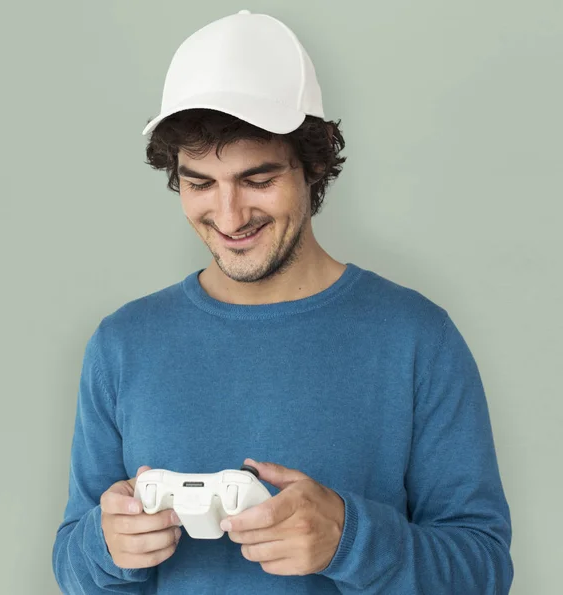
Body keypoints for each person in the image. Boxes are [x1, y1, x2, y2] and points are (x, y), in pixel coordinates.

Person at [52, 9, 514, 594]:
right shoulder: (123, 343)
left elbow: (483, 571)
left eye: (258, 179)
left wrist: (351, 540)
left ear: (313, 164)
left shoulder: (416, 337)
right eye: (199, 184)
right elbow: (73, 564)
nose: (228, 216)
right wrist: (104, 545)